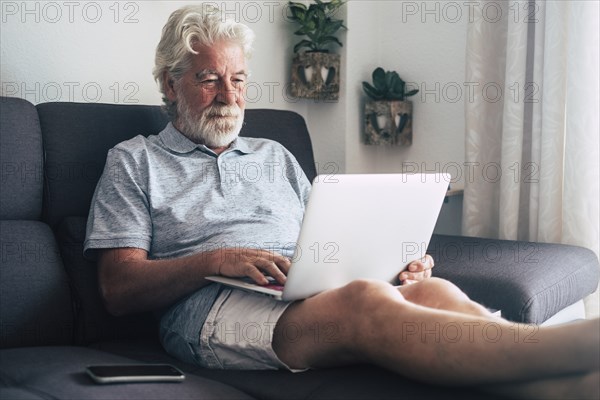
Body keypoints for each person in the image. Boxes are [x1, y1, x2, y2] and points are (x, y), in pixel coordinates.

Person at [84, 5, 599, 398]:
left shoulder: (275, 154)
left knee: (433, 291)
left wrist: (395, 263)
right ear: (170, 86)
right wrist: (220, 261)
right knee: (362, 304)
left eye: (238, 79)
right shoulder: (134, 162)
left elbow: (326, 239)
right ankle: (576, 347)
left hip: (301, 291)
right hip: (208, 310)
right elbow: (118, 288)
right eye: (208, 78)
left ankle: (569, 383)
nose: (229, 94)